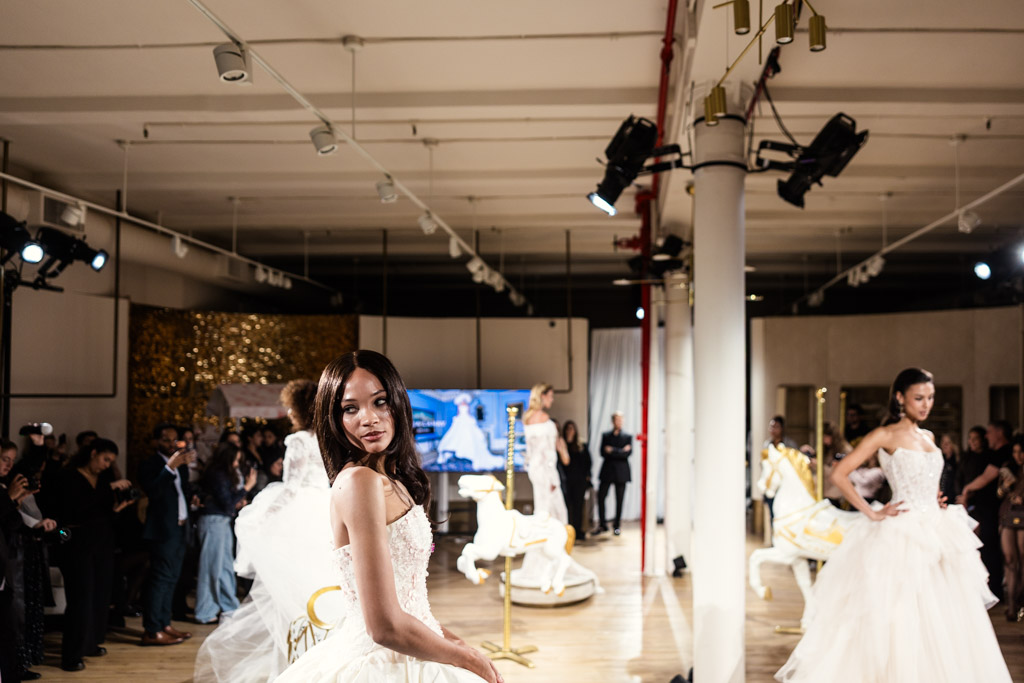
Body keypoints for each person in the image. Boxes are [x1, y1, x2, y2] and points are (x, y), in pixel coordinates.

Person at [273, 350, 500, 682]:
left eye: (380, 402)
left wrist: (455, 643)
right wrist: (467, 658)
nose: (369, 418)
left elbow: (410, 604)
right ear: (334, 420)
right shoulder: (359, 483)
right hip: (383, 661)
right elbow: (384, 626)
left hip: (414, 644)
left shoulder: (391, 480)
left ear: (397, 403)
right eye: (350, 408)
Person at [776, 368, 1011, 682]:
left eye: (930, 398)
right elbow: (839, 474)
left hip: (938, 532)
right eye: (918, 398)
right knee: (900, 616)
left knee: (943, 617)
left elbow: (929, 479)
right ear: (900, 398)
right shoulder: (884, 435)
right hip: (902, 534)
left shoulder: (927, 437)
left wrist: (936, 499)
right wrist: (871, 513)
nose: (925, 404)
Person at [196, 379, 335, 683]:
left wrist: (261, 516)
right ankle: (321, 658)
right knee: (319, 585)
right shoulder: (327, 441)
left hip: (301, 514)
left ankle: (291, 665)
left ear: (297, 409)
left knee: (286, 593)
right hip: (323, 511)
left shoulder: (298, 440)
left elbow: (292, 487)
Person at [50, 438, 136, 672]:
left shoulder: (105, 478)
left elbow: (103, 513)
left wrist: (117, 510)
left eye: (111, 462)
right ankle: (71, 655)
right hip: (76, 545)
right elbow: (75, 509)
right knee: (80, 599)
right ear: (93, 453)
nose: (107, 465)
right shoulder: (68, 476)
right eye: (105, 459)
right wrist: (108, 490)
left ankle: (90, 643)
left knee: (99, 596)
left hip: (103, 542)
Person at [137, 423, 195, 646]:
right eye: (165, 439)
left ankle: (164, 624)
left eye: (174, 440)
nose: (171, 444)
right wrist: (169, 468)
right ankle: (152, 630)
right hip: (162, 530)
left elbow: (182, 492)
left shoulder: (180, 465)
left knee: (172, 578)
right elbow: (153, 491)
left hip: (180, 527)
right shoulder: (150, 464)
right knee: (160, 579)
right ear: (156, 442)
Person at [194, 443, 257, 624]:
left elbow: (228, 502)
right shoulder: (217, 474)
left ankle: (224, 607)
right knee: (211, 567)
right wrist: (247, 487)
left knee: (223, 567)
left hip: (220, 521)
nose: (237, 464)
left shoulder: (221, 474)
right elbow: (227, 503)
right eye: (235, 460)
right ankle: (207, 611)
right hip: (213, 521)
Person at [956, 423, 1005, 599]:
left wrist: (968, 493)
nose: (975, 442)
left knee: (988, 547)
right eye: (971, 439)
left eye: (977, 438)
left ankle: (993, 588)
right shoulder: (967, 458)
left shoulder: (992, 456)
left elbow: (986, 479)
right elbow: (960, 478)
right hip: (971, 506)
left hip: (987, 507)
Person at [522, 383, 569, 523]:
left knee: (541, 508)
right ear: (542, 396)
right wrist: (552, 479)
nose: (552, 400)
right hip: (546, 472)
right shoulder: (544, 419)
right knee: (556, 511)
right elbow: (547, 454)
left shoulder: (527, 418)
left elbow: (531, 452)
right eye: (550, 396)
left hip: (535, 470)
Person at [999, 435, 1024, 622]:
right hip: (1009, 515)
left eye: (1021, 451)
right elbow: (998, 493)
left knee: (1023, 558)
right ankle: (1011, 605)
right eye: (1015, 451)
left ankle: (1020, 604)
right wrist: (1006, 487)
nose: (1018, 455)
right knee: (1009, 558)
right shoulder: (1008, 467)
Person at [596, 411, 632, 536]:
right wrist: (621, 451)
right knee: (601, 497)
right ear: (613, 421)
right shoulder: (606, 435)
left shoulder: (627, 436)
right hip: (607, 471)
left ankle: (617, 526)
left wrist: (613, 450)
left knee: (619, 500)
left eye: (621, 420)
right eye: (617, 420)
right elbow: (603, 452)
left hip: (621, 472)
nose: (619, 422)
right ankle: (602, 524)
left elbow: (627, 454)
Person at [560, 421, 592, 541]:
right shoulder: (562, 445)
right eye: (567, 429)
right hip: (566, 480)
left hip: (579, 481)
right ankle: (569, 531)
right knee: (567, 506)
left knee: (578, 507)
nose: (569, 431)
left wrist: (587, 476)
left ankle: (578, 531)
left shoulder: (581, 445)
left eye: (572, 429)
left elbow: (588, 462)